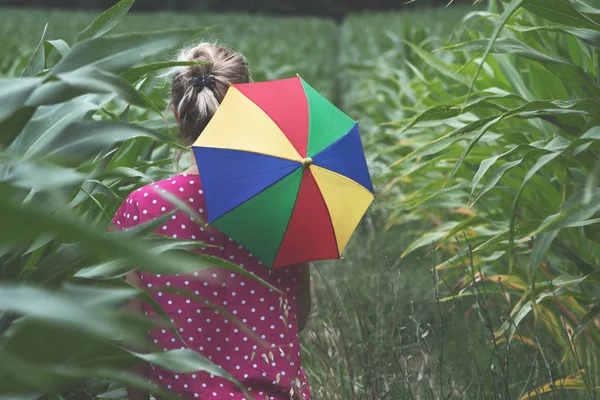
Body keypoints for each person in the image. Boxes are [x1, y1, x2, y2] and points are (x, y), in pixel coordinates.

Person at [112, 42, 313, 400]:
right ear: (250, 114)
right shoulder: (281, 197)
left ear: (177, 115)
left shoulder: (140, 209)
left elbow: (135, 341)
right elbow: (296, 313)